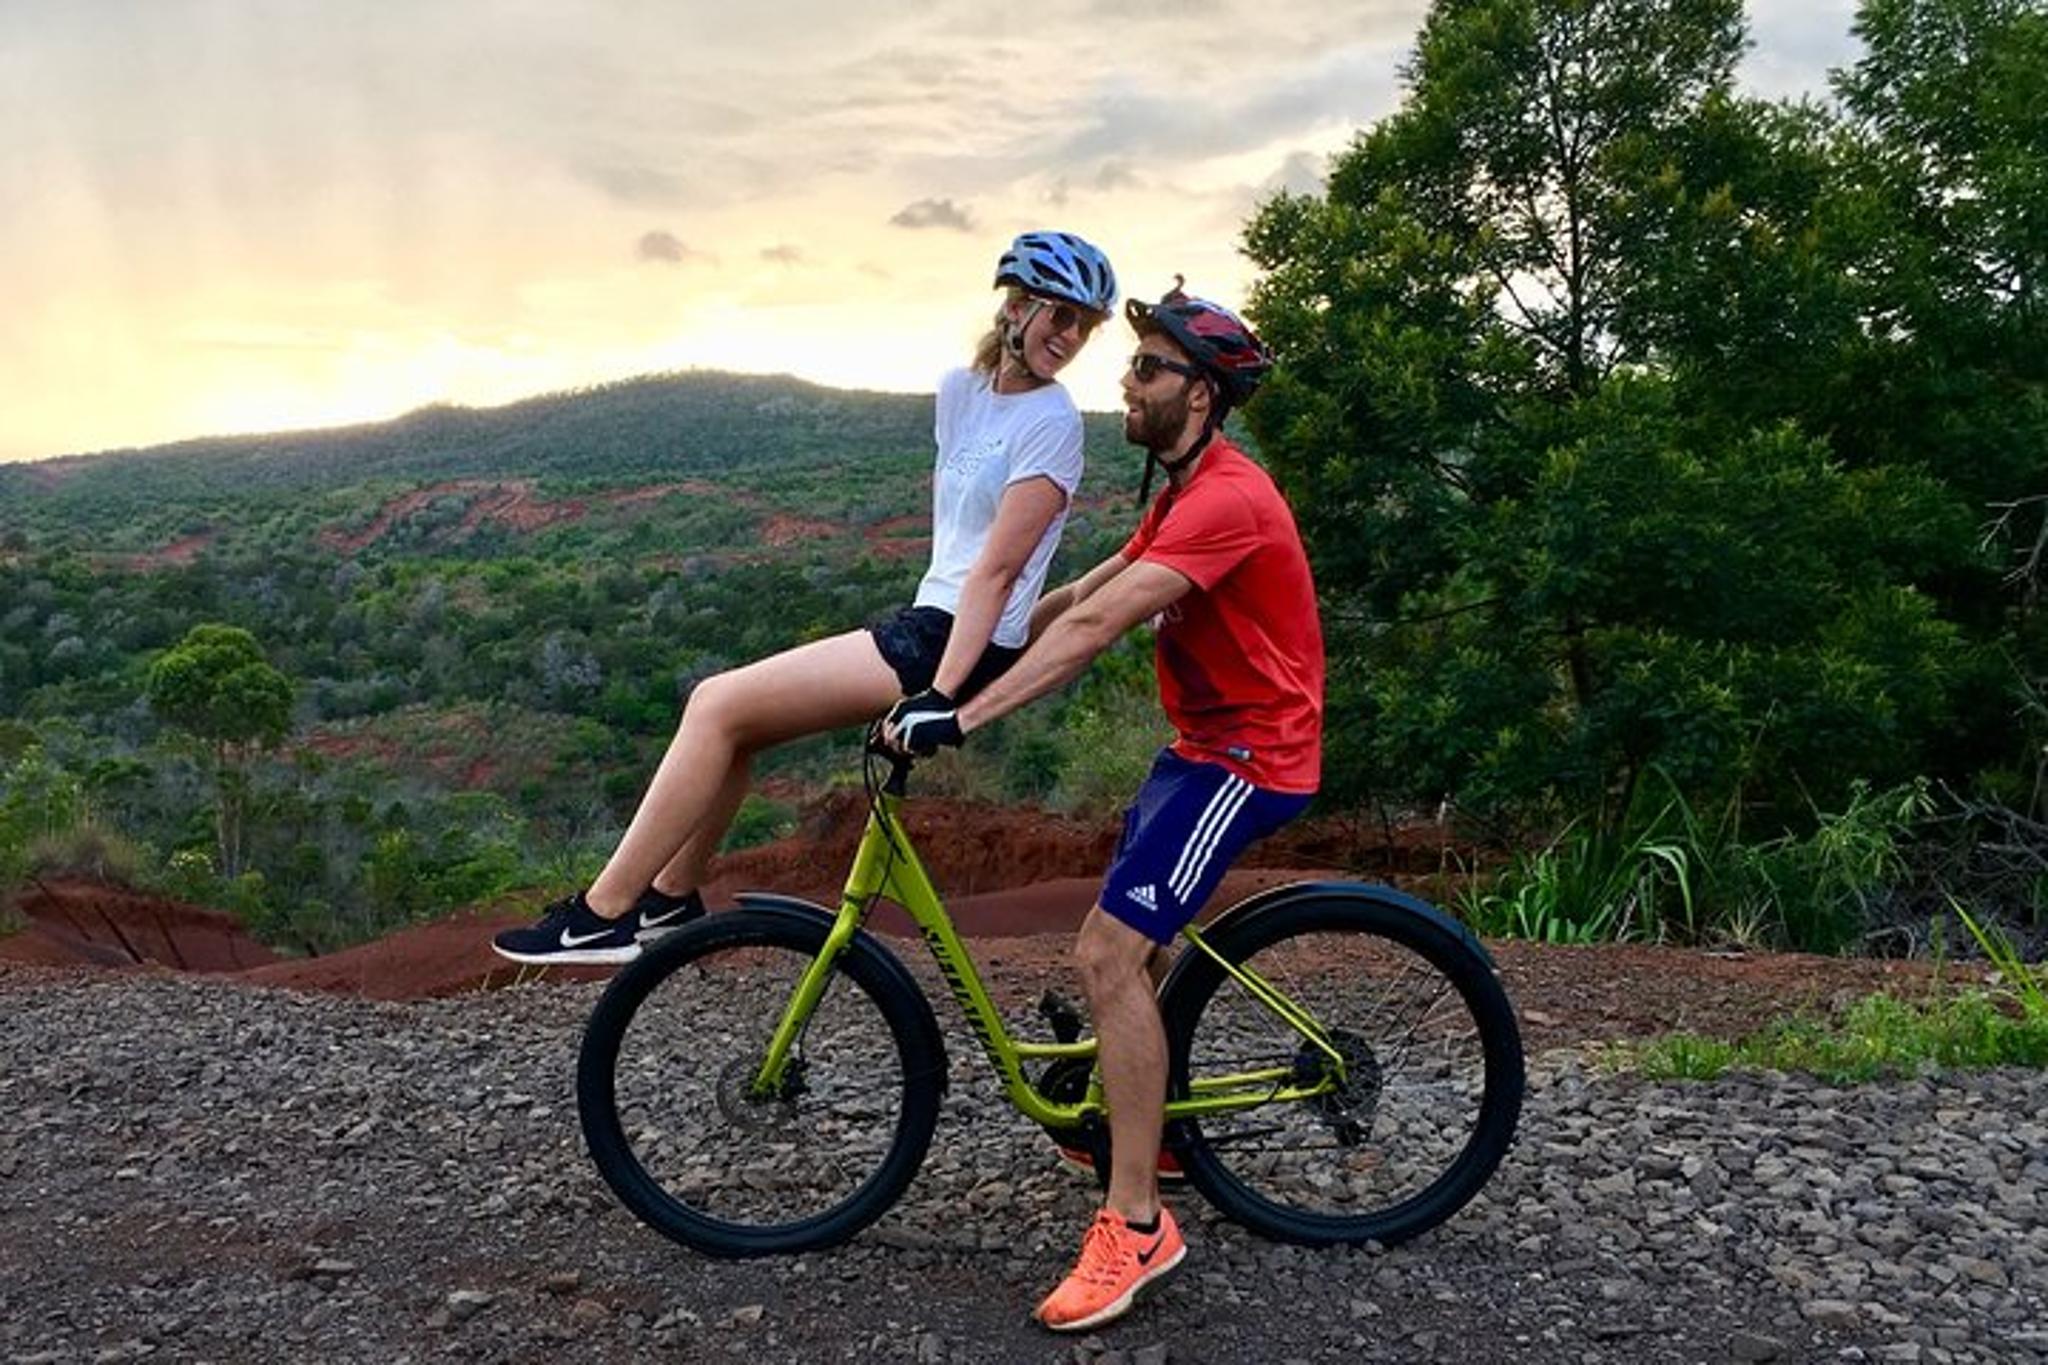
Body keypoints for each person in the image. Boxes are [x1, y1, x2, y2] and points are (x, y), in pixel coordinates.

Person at [885, 285, 1323, 1333]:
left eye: (1146, 369)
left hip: (1250, 760)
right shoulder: (1180, 487)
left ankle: (1135, 1221)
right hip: (1198, 749)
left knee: (1103, 957)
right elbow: (1085, 593)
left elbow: (1100, 632)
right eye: (1132, 366)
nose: (1122, 382)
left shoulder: (1225, 498)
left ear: (1202, 397)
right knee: (1137, 944)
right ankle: (1151, 1128)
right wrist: (979, 648)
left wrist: (967, 716)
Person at [492, 231, 1118, 964]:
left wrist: (940, 694)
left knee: (714, 704)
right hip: (930, 619)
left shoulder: (1054, 422)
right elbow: (956, 544)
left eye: (1084, 325)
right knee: (737, 724)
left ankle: (601, 914)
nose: (1070, 336)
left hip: (956, 642)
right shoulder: (961, 395)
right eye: (1059, 314)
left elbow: (997, 573)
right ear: (1014, 308)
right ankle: (668, 901)